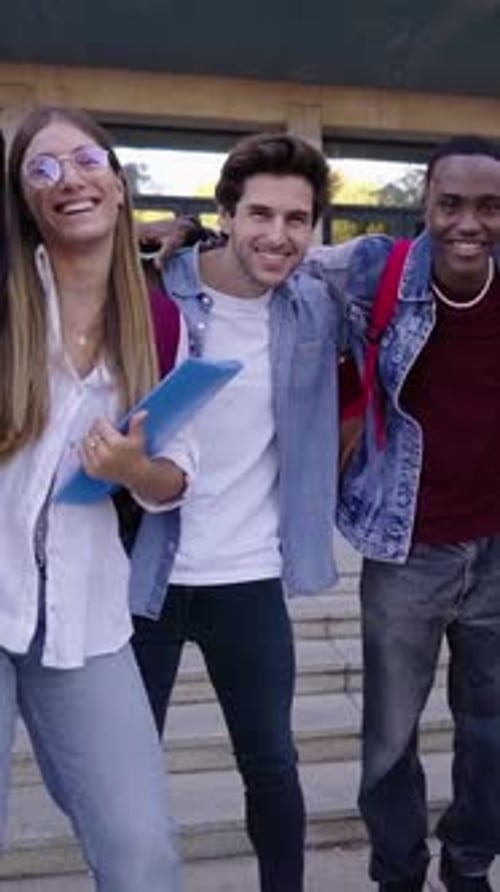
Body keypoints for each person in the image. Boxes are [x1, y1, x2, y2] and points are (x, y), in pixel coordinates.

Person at [129, 133, 342, 892]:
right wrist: (152, 237)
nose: (277, 236)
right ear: (225, 212)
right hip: (143, 578)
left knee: (272, 765)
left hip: (249, 576)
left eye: (296, 219)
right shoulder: (151, 289)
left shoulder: (316, 306)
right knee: (126, 776)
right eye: (259, 214)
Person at [0, 104, 198, 892]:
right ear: (22, 201)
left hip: (86, 615)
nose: (67, 180)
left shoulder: (160, 321)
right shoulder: (7, 301)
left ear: (118, 184)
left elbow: (176, 477)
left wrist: (129, 468)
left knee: (141, 851)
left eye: (84, 161)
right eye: (40, 169)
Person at [311, 134, 500, 892]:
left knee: (490, 737)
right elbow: (271, 264)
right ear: (426, 203)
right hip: (406, 547)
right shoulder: (373, 269)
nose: (469, 223)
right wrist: (184, 248)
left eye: (490, 207)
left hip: (497, 549)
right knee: (390, 736)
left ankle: (470, 865)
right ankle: (398, 873)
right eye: (451, 204)